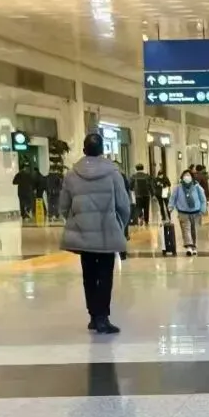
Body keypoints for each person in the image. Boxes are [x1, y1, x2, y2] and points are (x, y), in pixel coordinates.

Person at [59, 132, 130, 334]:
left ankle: (93, 316)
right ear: (102, 150)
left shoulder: (72, 175)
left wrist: (77, 220)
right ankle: (102, 318)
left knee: (88, 275)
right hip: (107, 232)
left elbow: (63, 206)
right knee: (105, 276)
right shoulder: (113, 174)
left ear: (84, 150)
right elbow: (124, 206)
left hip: (83, 234)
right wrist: (119, 225)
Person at [170, 168, 207, 254]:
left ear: (192, 177)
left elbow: (203, 199)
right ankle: (189, 247)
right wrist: (171, 206)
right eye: (185, 175)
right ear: (182, 177)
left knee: (194, 230)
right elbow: (173, 198)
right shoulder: (178, 187)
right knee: (186, 230)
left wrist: (203, 209)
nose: (187, 177)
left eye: (189, 175)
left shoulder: (197, 187)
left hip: (196, 213)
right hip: (183, 212)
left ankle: (193, 246)